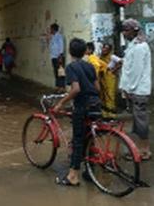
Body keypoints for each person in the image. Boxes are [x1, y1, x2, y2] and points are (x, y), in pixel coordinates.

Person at [53, 38, 101, 186]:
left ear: (70, 51)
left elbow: (76, 89)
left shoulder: (71, 67)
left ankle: (73, 175)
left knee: (78, 139)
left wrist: (61, 103)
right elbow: (97, 88)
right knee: (90, 138)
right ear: (84, 51)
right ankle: (89, 171)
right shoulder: (90, 66)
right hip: (96, 104)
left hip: (82, 106)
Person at [119, 19, 152, 161]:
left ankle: (145, 150)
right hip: (136, 89)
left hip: (138, 90)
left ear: (134, 30)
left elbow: (136, 71)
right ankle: (139, 148)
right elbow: (130, 66)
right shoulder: (134, 45)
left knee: (141, 121)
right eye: (123, 30)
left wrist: (128, 89)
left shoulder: (139, 47)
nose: (124, 33)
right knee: (137, 121)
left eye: (127, 30)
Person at [100, 43, 120, 118]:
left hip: (110, 78)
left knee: (110, 95)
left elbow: (121, 62)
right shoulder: (101, 57)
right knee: (103, 95)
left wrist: (114, 70)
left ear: (109, 50)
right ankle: (104, 114)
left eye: (106, 48)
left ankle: (112, 115)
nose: (104, 49)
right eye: (103, 48)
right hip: (103, 78)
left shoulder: (112, 56)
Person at [48, 23, 66, 93]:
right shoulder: (53, 37)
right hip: (54, 56)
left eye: (51, 29)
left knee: (60, 72)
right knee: (56, 72)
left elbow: (61, 46)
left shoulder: (59, 36)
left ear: (53, 29)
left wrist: (60, 56)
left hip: (58, 57)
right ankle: (58, 86)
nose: (50, 30)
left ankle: (62, 87)